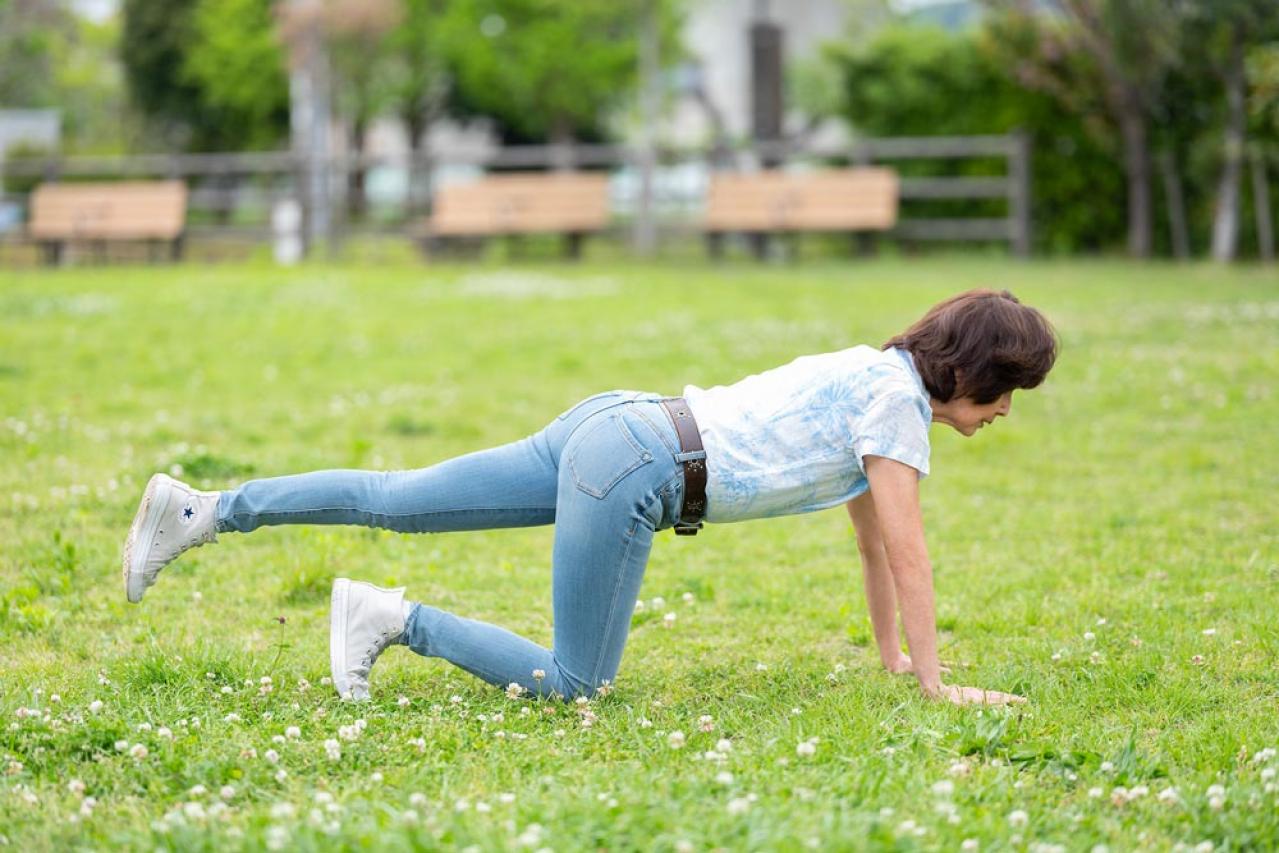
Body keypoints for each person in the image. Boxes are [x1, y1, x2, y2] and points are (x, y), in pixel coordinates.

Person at [122, 288, 1057, 706]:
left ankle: (207, 508)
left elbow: (872, 542)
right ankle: (392, 618)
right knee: (575, 683)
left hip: (618, 422)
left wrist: (894, 658)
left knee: (396, 495)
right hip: (640, 466)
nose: (1004, 411)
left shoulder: (873, 374)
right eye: (1005, 391)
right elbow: (908, 550)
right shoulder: (896, 405)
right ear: (968, 370)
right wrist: (935, 684)